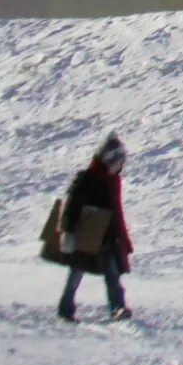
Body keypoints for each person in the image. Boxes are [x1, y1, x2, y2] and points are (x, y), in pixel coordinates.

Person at [56, 133, 133, 323]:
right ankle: (65, 309)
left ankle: (117, 308)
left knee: (112, 275)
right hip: (87, 235)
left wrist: (120, 236)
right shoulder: (87, 179)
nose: (120, 166)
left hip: (107, 238)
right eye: (118, 161)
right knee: (76, 273)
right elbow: (72, 204)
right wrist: (69, 229)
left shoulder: (113, 180)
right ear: (109, 160)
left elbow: (116, 211)